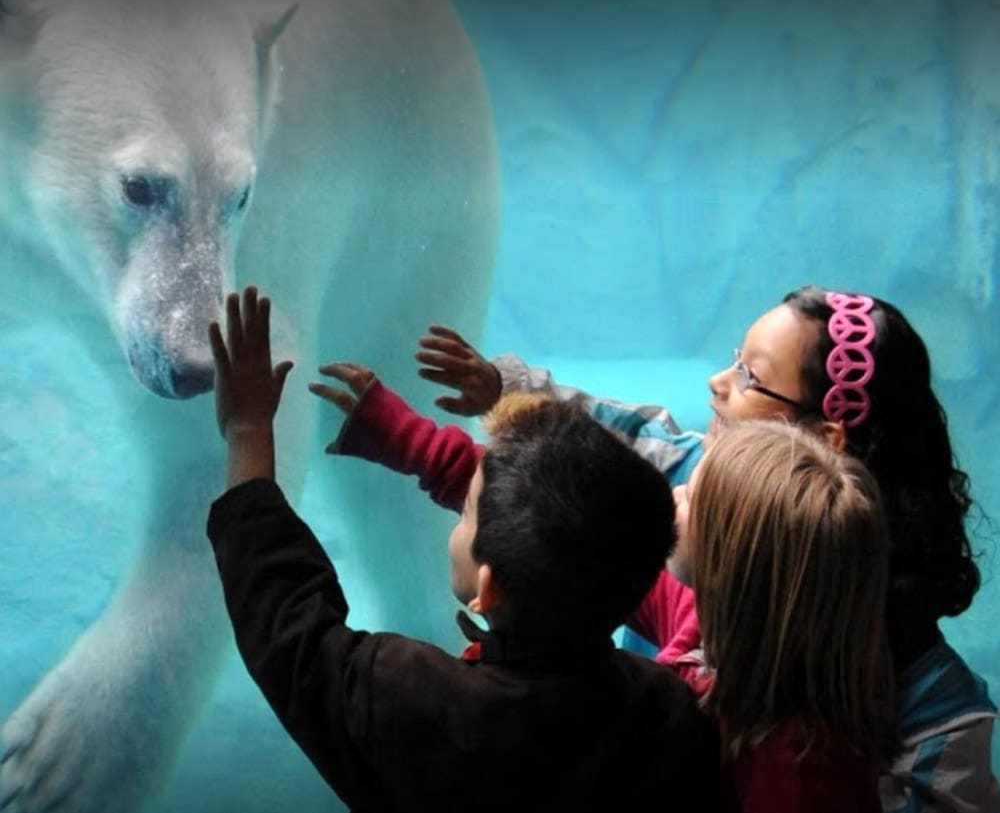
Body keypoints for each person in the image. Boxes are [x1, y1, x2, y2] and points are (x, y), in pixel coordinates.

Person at [318, 285, 999, 812]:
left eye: (751, 376)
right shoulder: (698, 595)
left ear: (825, 442)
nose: (716, 382)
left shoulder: (917, 721)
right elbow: (552, 516)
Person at [205, 286, 724, 812]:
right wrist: (412, 442)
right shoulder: (677, 714)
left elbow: (290, 630)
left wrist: (247, 432)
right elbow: (612, 539)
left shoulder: (416, 704)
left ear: (488, 587)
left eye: (470, 510)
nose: (462, 515)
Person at [677, 419, 896, 812]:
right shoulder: (732, 645)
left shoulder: (796, 771)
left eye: (690, 497)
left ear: (727, 563)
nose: (674, 496)